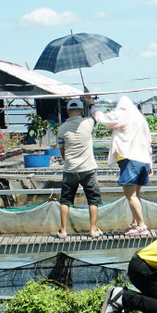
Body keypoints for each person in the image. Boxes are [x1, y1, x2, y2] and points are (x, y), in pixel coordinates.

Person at [95, 96, 153, 237]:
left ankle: (141, 225)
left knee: (130, 195)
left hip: (131, 159)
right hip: (144, 160)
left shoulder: (123, 114)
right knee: (136, 195)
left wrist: (92, 108)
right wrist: (150, 163)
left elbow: (103, 119)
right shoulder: (141, 119)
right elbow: (149, 141)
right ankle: (135, 223)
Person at [56, 98, 101, 239]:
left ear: (68, 112)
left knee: (65, 200)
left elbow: (62, 151)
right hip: (88, 169)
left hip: (70, 169)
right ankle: (93, 230)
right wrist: (90, 100)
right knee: (93, 200)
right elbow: (97, 115)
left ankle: (63, 231)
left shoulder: (61, 129)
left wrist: (67, 160)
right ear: (81, 111)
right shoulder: (88, 123)